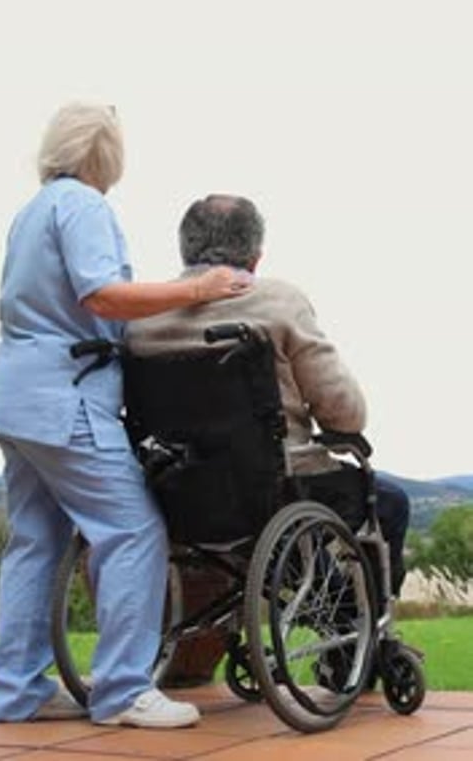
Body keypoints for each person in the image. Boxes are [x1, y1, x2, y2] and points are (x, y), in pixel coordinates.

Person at [0, 107, 251, 729]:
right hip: (64, 397)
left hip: (16, 394)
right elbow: (100, 295)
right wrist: (197, 290)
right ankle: (124, 690)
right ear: (108, 154)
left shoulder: (32, 211)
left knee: (35, 544)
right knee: (132, 531)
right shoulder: (83, 206)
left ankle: (18, 691)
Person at [126, 194, 410, 600]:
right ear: (256, 256)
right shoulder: (279, 302)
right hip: (274, 486)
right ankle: (365, 641)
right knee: (391, 503)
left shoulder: (142, 321)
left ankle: (342, 627)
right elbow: (346, 416)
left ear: (184, 247)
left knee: (280, 519)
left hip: (179, 493)